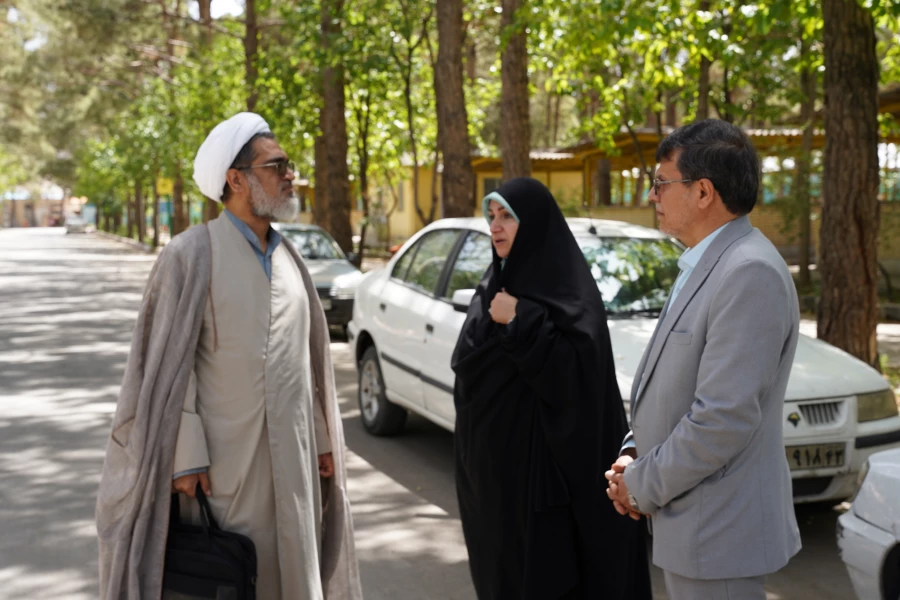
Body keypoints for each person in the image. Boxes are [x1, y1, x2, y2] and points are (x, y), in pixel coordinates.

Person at [96, 112, 363, 600]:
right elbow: (167, 369)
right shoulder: (190, 255)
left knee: (295, 572)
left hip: (296, 460)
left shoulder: (291, 259)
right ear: (236, 180)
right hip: (224, 469)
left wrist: (321, 439)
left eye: (288, 165)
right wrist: (184, 456)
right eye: (277, 166)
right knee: (235, 574)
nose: (290, 175)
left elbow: (304, 364)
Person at [605, 119, 802, 600]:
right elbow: (671, 387)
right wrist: (634, 452)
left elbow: (722, 419)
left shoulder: (748, 271)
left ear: (703, 192)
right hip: (696, 526)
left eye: (661, 183)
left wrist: (641, 483)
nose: (652, 195)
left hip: (720, 534)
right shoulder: (707, 260)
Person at [452, 177, 652, 600]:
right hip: (496, 485)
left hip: (550, 485)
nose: (495, 226)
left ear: (535, 224)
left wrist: (522, 320)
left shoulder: (570, 293)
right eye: (492, 216)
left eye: (507, 216)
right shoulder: (492, 285)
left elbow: (579, 383)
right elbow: (468, 369)